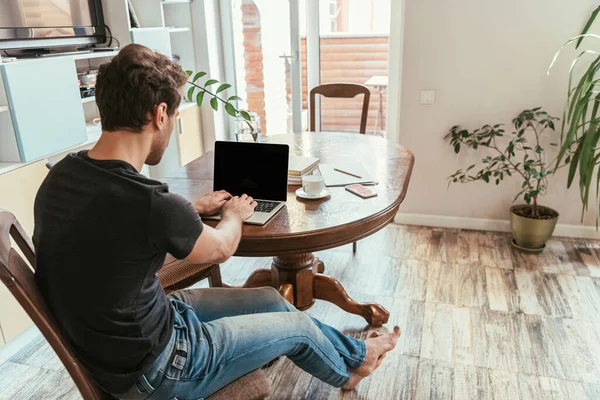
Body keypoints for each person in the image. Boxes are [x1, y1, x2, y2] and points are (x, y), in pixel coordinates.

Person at [33, 44, 400, 399]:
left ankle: (354, 356)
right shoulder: (149, 201)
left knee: (272, 299)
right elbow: (221, 248)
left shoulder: (62, 176)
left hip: (127, 339)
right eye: (174, 117)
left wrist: (190, 209)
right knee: (299, 327)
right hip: (161, 368)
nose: (172, 125)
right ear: (160, 114)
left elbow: (116, 235)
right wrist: (233, 213)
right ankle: (353, 369)